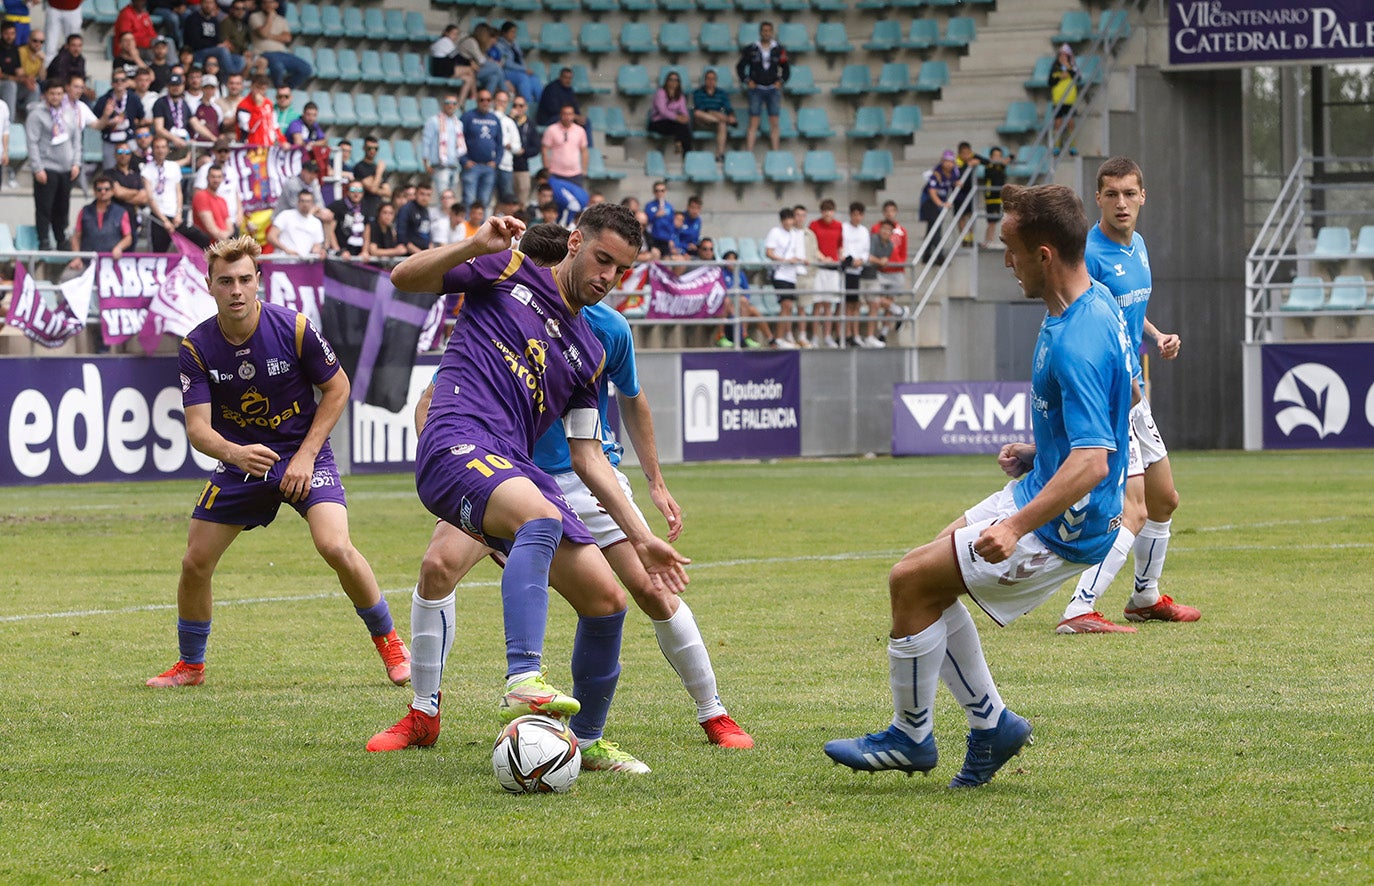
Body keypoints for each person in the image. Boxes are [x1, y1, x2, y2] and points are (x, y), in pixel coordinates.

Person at [377, 225, 752, 753]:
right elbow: (403, 277)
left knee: (610, 600)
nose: (607, 278)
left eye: (619, 271)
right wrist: (474, 244)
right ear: (575, 243)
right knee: (474, 550)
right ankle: (500, 685)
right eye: (602, 260)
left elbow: (590, 454)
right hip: (470, 451)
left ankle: (591, 742)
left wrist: (642, 533)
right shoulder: (506, 270)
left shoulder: (593, 349)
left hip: (533, 476)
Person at [824, 183, 1133, 787]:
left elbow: (1094, 461)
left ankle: (912, 737)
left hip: (1065, 526)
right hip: (1044, 485)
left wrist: (1017, 526)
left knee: (909, 582)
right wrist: (1040, 450)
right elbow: (1121, 403)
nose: (1005, 262)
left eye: (1010, 250)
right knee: (928, 578)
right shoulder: (1092, 303)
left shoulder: (1076, 339)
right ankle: (992, 725)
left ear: (1043, 254)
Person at [147, 234, 410, 688]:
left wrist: (306, 456)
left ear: (258, 283)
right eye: (225, 281)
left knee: (335, 547)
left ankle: (390, 643)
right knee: (194, 562)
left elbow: (338, 387)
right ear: (209, 285)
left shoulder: (294, 328)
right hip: (243, 461)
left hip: (303, 453)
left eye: (244, 280)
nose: (236, 290)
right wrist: (235, 454)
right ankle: (191, 666)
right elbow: (197, 429)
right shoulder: (196, 347)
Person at [1055, 157, 1198, 634]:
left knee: (1164, 500)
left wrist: (1155, 337)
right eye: (1111, 194)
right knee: (1132, 508)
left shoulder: (1138, 246)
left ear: (1143, 197)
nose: (1121, 203)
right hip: (1113, 392)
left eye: (1129, 194)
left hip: (1134, 387)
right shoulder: (1088, 254)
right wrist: (1123, 385)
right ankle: (1079, 607)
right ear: (1097, 198)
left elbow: (1126, 308)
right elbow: (1088, 322)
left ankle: (1144, 597)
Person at [26, 78, 79, 251]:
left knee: (62, 207)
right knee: (44, 207)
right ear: (45, 95)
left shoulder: (70, 112)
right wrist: (37, 167)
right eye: (52, 94)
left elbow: (76, 140)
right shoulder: (36, 114)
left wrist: (76, 163)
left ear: (63, 94)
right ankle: (44, 241)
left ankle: (61, 238)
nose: (55, 97)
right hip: (47, 167)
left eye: (59, 93)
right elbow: (32, 142)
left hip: (66, 167)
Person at [736, 21, 789, 153]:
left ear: (772, 32)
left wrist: (780, 82)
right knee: (753, 122)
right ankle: (749, 152)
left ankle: (776, 152)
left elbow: (786, 69)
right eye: (764, 30)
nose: (766, 33)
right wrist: (747, 80)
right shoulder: (752, 48)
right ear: (760, 32)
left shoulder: (779, 49)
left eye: (769, 31)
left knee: (774, 122)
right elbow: (740, 67)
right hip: (756, 89)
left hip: (773, 89)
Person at [711, 242, 773, 349]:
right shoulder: (720, 273)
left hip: (740, 304)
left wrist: (743, 300)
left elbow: (746, 290)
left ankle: (771, 339)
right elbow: (721, 291)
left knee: (754, 311)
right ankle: (722, 336)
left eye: (734, 258)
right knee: (729, 303)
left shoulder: (740, 274)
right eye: (729, 258)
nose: (732, 261)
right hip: (727, 303)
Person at [67, 173, 132, 268]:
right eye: (99, 189)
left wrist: (119, 247)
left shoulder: (121, 212)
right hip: (86, 263)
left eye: (106, 189)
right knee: (66, 278)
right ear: (94, 191)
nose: (103, 192)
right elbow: (76, 237)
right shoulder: (84, 211)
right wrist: (77, 257)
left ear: (113, 191)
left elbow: (128, 238)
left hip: (111, 264)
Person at [764, 206, 805, 348]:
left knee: (789, 307)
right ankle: (778, 337)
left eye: (790, 219)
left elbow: (797, 253)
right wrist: (784, 261)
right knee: (785, 304)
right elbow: (768, 252)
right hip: (780, 273)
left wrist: (800, 260)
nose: (788, 222)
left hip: (791, 275)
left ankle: (784, 336)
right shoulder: (775, 232)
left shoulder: (795, 234)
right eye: (786, 219)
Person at [248, 0, 311, 89]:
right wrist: (270, 17)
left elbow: (287, 38)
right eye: (265, 2)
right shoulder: (254, 17)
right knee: (278, 67)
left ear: (276, 4)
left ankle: (286, 89)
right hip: (264, 53)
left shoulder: (281, 20)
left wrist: (269, 36)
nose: (267, 5)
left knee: (306, 69)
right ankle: (279, 89)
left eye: (270, 2)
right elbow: (263, 33)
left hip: (282, 53)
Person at [92, 68, 145, 169]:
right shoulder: (104, 100)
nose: (119, 83)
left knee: (134, 168)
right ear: (112, 83)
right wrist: (108, 120)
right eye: (116, 80)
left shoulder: (134, 99)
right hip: (110, 140)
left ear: (127, 82)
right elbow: (96, 124)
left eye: (123, 80)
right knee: (109, 170)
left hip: (128, 139)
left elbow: (141, 117)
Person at [808, 198, 843, 347]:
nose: (828, 213)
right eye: (825, 210)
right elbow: (812, 246)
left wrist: (838, 259)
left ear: (833, 212)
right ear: (822, 212)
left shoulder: (839, 226)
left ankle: (827, 336)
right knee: (818, 304)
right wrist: (823, 258)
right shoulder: (814, 225)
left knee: (829, 304)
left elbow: (840, 246)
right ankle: (815, 336)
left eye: (830, 210)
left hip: (833, 270)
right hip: (819, 268)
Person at [840, 201, 875, 347]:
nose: (857, 217)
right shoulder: (844, 228)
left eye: (860, 215)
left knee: (856, 304)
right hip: (847, 269)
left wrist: (861, 260)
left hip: (858, 270)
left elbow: (866, 250)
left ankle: (855, 334)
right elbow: (842, 247)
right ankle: (847, 334)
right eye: (854, 214)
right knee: (847, 304)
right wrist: (850, 260)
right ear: (850, 215)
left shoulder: (864, 231)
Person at [460, 90, 502, 211]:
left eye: (488, 100)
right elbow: (458, 140)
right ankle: (468, 229)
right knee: (469, 201)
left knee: (484, 202)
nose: (485, 102)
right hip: (471, 166)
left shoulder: (495, 119)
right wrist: (464, 160)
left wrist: (496, 161)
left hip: (489, 167)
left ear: (492, 101)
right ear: (476, 101)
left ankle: (483, 229)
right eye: (482, 99)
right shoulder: (467, 117)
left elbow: (500, 143)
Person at [918, 150, 960, 264]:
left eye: (951, 162)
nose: (948, 164)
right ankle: (939, 256)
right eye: (946, 161)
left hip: (940, 202)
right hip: (929, 202)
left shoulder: (955, 172)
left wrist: (955, 183)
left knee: (931, 228)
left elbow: (952, 181)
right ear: (942, 162)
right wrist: (941, 204)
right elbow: (932, 192)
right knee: (936, 228)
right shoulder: (936, 173)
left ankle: (926, 255)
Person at [142, 134, 182, 252]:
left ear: (168, 149)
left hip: (174, 214)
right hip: (158, 216)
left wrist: (179, 213)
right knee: (158, 251)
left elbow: (178, 192)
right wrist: (164, 220)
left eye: (163, 147)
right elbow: (150, 197)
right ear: (153, 150)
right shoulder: (147, 169)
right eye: (157, 147)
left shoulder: (174, 166)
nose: (160, 150)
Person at [421, 92, 462, 198]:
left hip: (454, 165)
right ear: (443, 104)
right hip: (440, 166)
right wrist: (426, 163)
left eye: (454, 103)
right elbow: (426, 141)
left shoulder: (458, 123)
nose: (450, 105)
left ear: (457, 105)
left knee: (452, 197)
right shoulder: (433, 121)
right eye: (448, 102)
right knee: (443, 197)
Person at [691, 68, 736, 162]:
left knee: (722, 124)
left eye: (713, 79)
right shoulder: (698, 92)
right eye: (708, 78)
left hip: (715, 121)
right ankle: (722, 119)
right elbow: (701, 108)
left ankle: (720, 154)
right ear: (705, 80)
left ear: (716, 81)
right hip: (702, 120)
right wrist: (715, 114)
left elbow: (728, 107)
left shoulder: (722, 93)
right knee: (697, 113)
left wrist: (731, 115)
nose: (710, 81)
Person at [540, 103, 588, 190]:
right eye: (565, 114)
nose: (567, 117)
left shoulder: (580, 131)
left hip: (575, 174)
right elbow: (544, 150)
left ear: (574, 115)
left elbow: (584, 150)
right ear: (560, 115)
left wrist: (584, 169)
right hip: (555, 172)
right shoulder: (551, 130)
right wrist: (546, 169)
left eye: (570, 114)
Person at [492, 21, 539, 106]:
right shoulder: (499, 45)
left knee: (534, 79)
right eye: (512, 32)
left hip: (520, 70)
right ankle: (527, 105)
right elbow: (507, 63)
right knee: (523, 78)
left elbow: (520, 58)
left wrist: (525, 69)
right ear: (504, 33)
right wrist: (524, 69)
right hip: (507, 72)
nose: (514, 34)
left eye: (515, 32)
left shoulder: (515, 44)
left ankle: (541, 104)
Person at [267, 188, 325, 257]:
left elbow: (317, 244)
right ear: (298, 202)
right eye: (302, 201)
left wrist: (318, 251)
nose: (305, 204)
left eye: (308, 201)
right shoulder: (286, 215)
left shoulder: (316, 223)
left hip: (302, 264)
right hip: (283, 261)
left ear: (312, 203)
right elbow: (271, 236)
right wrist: (286, 250)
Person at [491, 90, 522, 215]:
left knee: (506, 199)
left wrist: (510, 146)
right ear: (494, 101)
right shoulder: (490, 118)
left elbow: (517, 146)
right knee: (487, 197)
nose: (501, 104)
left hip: (506, 165)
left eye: (504, 101)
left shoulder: (509, 122)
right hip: (490, 163)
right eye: (498, 100)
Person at [649, 70, 692, 156]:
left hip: (673, 124)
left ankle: (686, 155)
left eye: (676, 80)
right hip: (658, 122)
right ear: (667, 81)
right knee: (680, 126)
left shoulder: (680, 96)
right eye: (671, 79)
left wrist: (685, 118)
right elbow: (662, 111)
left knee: (684, 127)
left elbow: (684, 111)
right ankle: (680, 145)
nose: (673, 82)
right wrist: (677, 118)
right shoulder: (660, 93)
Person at [189, 162, 234, 243]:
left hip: (222, 246)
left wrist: (225, 238)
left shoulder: (222, 200)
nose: (216, 180)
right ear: (207, 178)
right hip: (208, 247)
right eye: (213, 177)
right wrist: (224, 239)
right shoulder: (201, 196)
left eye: (219, 177)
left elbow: (230, 227)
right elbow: (209, 227)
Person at [0, 20, 36, 119]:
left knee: (34, 87)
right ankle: (9, 122)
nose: (9, 37)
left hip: (13, 83)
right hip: (3, 85)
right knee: (10, 86)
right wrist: (21, 79)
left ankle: (31, 120)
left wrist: (27, 79)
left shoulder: (15, 49)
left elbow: (19, 71)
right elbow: (1, 75)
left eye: (12, 33)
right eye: (7, 34)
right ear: (2, 34)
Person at [235, 73, 283, 146]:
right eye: (257, 88)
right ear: (251, 87)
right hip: (250, 147)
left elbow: (275, 125)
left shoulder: (268, 103)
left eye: (263, 89)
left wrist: (282, 141)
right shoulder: (243, 106)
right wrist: (258, 108)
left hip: (268, 146)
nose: (260, 92)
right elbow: (249, 128)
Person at [150, 70, 191, 153]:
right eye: (173, 85)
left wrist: (213, 138)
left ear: (183, 86)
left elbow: (194, 122)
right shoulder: (160, 102)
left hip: (182, 142)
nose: (176, 88)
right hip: (166, 146)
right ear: (168, 86)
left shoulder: (184, 103)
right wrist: (174, 139)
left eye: (178, 85)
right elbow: (159, 128)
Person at [1049, 43, 1079, 155]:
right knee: (1058, 122)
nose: (1063, 57)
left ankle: (1072, 146)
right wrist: (1059, 77)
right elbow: (1050, 82)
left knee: (1070, 122)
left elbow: (1078, 78)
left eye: (1065, 56)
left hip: (1069, 100)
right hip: (1058, 100)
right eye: (1061, 55)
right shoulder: (1054, 68)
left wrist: (1068, 67)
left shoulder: (1072, 67)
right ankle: (1056, 146)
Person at [508, 93, 537, 209]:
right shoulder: (507, 121)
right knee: (506, 201)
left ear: (525, 107)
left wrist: (524, 151)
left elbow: (536, 148)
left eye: (521, 106)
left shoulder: (530, 125)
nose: (517, 108)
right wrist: (510, 118)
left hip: (522, 167)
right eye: (515, 105)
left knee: (522, 202)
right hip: (507, 167)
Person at [326, 180, 369, 258]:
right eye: (353, 190)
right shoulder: (338, 205)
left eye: (360, 190)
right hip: (340, 253)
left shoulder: (365, 207)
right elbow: (330, 230)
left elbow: (366, 230)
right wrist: (338, 250)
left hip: (358, 252)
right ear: (347, 191)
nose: (356, 194)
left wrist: (365, 251)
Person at [981, 147, 1009, 249]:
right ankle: (988, 240)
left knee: (997, 219)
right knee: (991, 220)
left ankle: (991, 240)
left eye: (999, 156)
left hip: (999, 196)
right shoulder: (989, 166)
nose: (997, 158)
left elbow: (1012, 157)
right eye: (995, 156)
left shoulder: (1001, 167)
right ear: (991, 157)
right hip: (991, 197)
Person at [396, 180, 433, 254]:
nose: (425, 198)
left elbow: (427, 233)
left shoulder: (426, 210)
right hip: (410, 255)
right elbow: (401, 236)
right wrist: (419, 253)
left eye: (428, 195)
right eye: (422, 194)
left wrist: (430, 251)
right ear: (416, 194)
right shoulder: (406, 209)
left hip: (425, 253)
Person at [643, 181, 674, 256]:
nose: (659, 193)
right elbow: (645, 222)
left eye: (662, 191)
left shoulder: (669, 207)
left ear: (665, 191)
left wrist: (671, 239)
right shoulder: (649, 206)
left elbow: (671, 224)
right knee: (655, 257)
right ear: (653, 192)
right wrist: (655, 215)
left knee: (666, 261)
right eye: (657, 191)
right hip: (653, 238)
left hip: (665, 239)